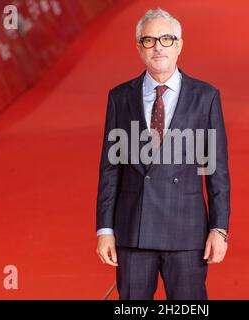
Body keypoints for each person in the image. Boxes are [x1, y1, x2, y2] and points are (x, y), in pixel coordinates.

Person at [96, 8, 230, 300]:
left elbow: (216, 169)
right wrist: (104, 229)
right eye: (149, 40)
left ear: (180, 44)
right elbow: (110, 169)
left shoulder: (206, 97)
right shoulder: (120, 97)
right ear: (139, 47)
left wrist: (219, 229)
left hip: (187, 232)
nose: (158, 46)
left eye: (166, 39)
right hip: (133, 231)